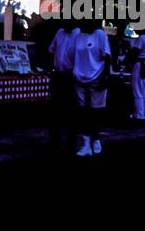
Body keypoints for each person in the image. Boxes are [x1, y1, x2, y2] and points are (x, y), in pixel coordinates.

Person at [69, 20, 111, 156]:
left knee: (95, 111)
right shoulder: (78, 35)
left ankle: (96, 140)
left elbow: (108, 56)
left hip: (96, 77)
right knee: (82, 112)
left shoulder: (99, 34)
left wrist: (105, 77)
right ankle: (85, 144)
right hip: (79, 78)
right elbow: (72, 55)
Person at [47, 20, 80, 152]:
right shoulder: (59, 32)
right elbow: (51, 50)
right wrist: (51, 69)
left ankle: (70, 141)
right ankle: (55, 140)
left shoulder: (78, 35)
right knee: (55, 108)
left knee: (70, 109)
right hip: (58, 75)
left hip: (70, 76)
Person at [126, 29, 145, 121]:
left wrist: (128, 58)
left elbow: (135, 52)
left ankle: (139, 115)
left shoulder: (140, 39)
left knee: (137, 91)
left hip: (139, 65)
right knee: (144, 92)